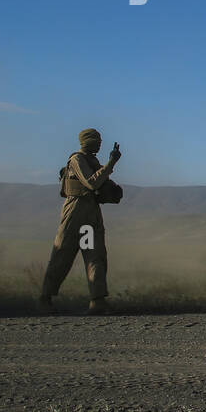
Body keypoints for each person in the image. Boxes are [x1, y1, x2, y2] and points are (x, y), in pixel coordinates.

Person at [38, 129, 121, 314]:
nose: (99, 143)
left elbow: (99, 184)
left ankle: (97, 300)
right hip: (75, 212)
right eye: (95, 140)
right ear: (86, 141)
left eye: (100, 140)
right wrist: (111, 163)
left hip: (90, 213)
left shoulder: (92, 161)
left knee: (94, 255)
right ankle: (45, 298)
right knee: (63, 254)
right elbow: (92, 182)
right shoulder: (77, 160)